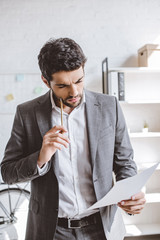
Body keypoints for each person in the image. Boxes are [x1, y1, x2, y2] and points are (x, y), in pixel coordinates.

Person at [1, 38, 146, 240]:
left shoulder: (109, 106)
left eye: (79, 80)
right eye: (63, 85)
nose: (74, 92)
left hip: (102, 227)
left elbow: (125, 162)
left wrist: (130, 194)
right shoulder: (27, 113)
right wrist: (41, 158)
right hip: (52, 231)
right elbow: (7, 172)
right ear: (45, 81)